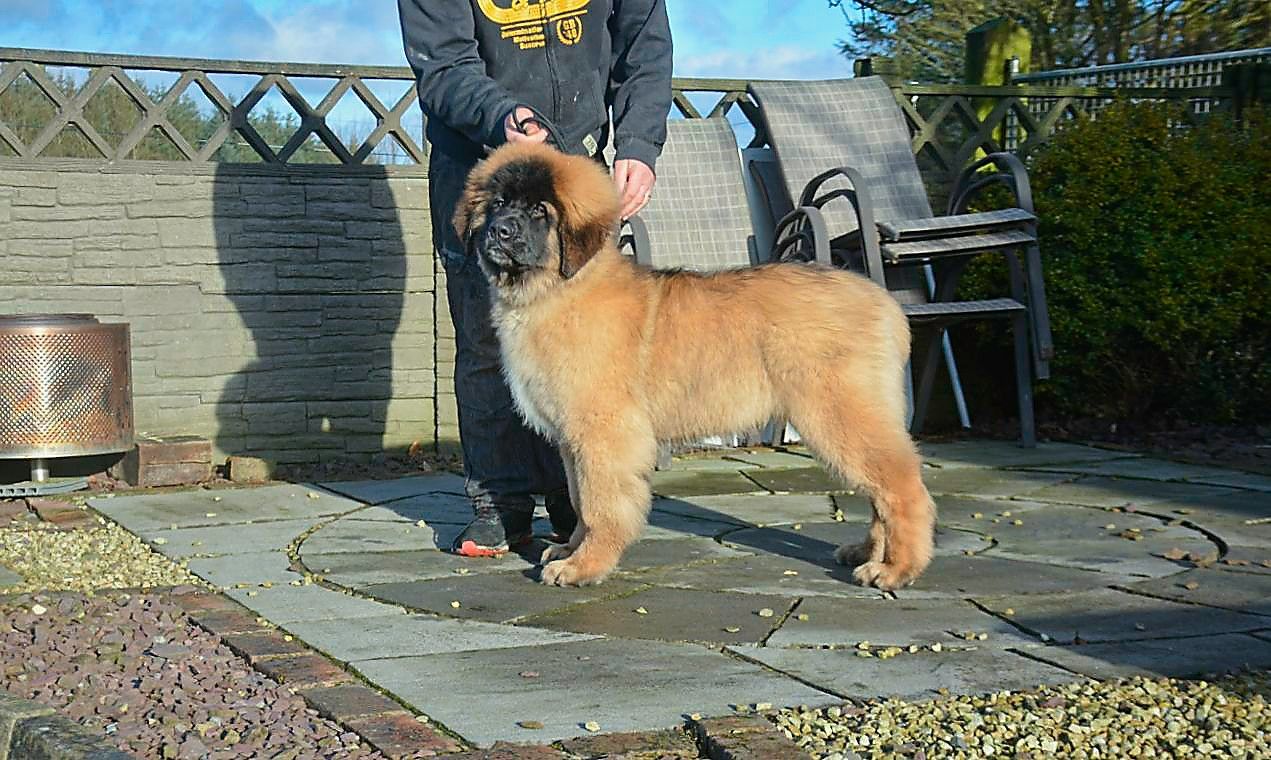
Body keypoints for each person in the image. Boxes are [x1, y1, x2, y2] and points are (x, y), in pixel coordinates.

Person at [397, 0, 673, 556]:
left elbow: (644, 46)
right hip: (480, 167)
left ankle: (575, 502)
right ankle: (499, 503)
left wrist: (639, 145)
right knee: (484, 346)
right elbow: (443, 64)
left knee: (583, 353)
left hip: (574, 179)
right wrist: (503, 115)